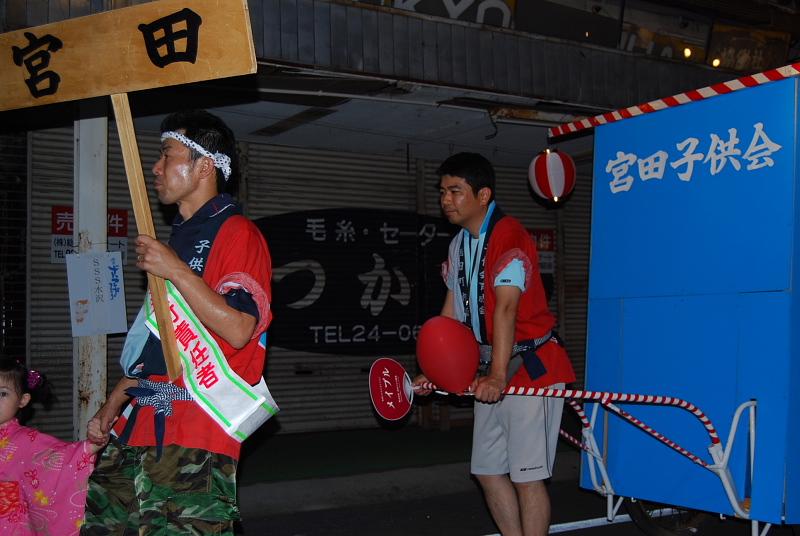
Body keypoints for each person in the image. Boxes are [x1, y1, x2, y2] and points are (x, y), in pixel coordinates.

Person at [81, 110, 273, 534]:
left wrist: (176, 271)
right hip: (141, 423)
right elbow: (159, 348)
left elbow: (241, 328)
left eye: (167, 154)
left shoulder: (237, 232)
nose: (156, 166)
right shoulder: (180, 237)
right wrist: (114, 404)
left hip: (196, 429)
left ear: (204, 165)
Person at [414, 152, 575, 536]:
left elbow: (505, 310)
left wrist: (499, 375)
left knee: (527, 477)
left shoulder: (510, 236)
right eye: (442, 191)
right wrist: (431, 371)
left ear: (483, 195)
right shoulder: (458, 246)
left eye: (456, 191)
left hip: (531, 369)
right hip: (492, 372)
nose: (446, 199)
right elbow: (450, 316)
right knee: (487, 472)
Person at [0, 359, 108, 535]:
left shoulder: (26, 440)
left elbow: (63, 458)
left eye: (3, 394)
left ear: (23, 400)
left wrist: (92, 445)